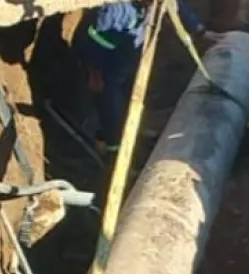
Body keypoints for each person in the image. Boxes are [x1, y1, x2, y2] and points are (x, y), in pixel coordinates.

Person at [72, 1, 222, 157]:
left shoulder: (152, 4)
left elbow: (174, 6)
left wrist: (200, 31)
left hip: (127, 50)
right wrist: (95, 74)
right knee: (109, 94)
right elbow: (96, 45)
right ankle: (113, 147)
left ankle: (130, 130)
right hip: (105, 60)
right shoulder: (117, 11)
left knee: (129, 89)